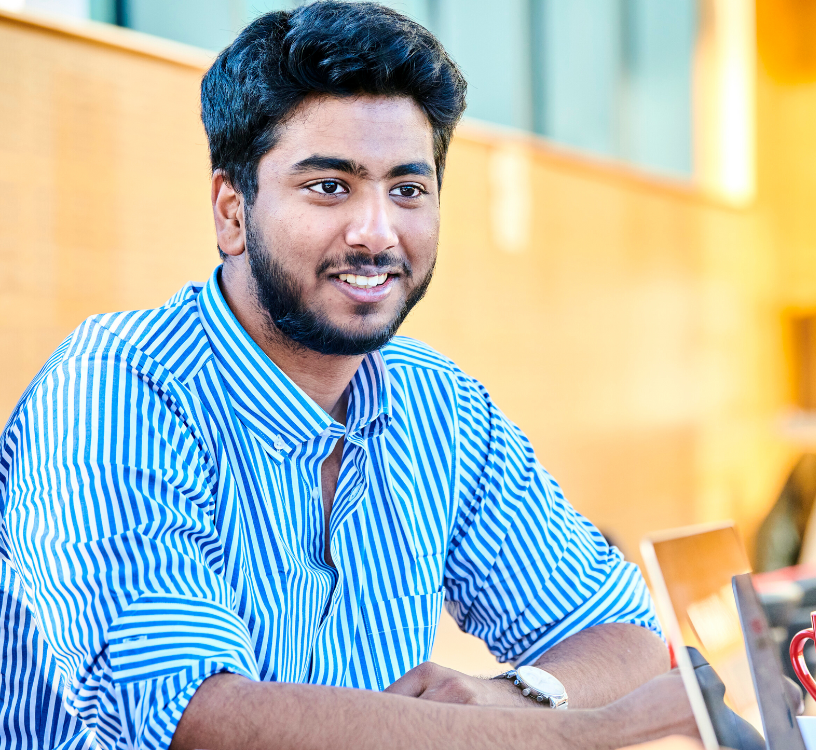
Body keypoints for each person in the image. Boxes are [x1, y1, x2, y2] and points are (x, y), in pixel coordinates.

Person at [0, 3, 699, 749]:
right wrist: (573, 735)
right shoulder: (115, 391)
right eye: (330, 186)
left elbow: (620, 630)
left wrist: (519, 697)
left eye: (407, 189)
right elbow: (192, 716)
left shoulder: (442, 406)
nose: (377, 232)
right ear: (232, 211)